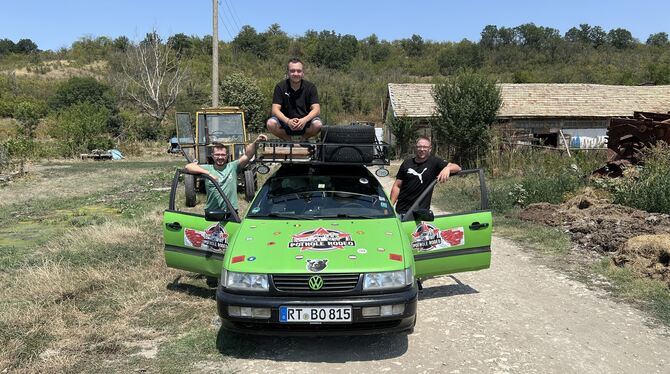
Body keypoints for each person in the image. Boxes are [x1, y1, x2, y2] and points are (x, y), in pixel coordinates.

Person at [185, 134, 268, 212]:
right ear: (212, 155)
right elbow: (188, 167)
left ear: (227, 156)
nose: (220, 157)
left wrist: (256, 142)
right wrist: (208, 174)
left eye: (223, 155)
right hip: (212, 211)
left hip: (231, 211)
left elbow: (248, 155)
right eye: (217, 155)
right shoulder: (207, 168)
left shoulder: (233, 167)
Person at [390, 136, 461, 215]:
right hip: (401, 211)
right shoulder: (406, 163)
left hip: (420, 213)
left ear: (430, 149)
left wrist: (447, 168)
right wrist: (390, 207)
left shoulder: (434, 162)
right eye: (419, 147)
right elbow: (397, 186)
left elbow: (457, 167)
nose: (422, 149)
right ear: (415, 148)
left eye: (425, 147)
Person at [266, 58, 322, 141]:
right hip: (285, 122)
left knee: (318, 125)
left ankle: (303, 139)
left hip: (305, 122)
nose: (296, 73)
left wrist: (304, 120)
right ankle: (288, 139)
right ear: (288, 72)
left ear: (303, 73)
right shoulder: (280, 87)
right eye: (292, 71)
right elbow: (275, 110)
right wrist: (288, 121)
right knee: (270, 124)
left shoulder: (310, 87)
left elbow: (317, 109)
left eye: (299, 71)